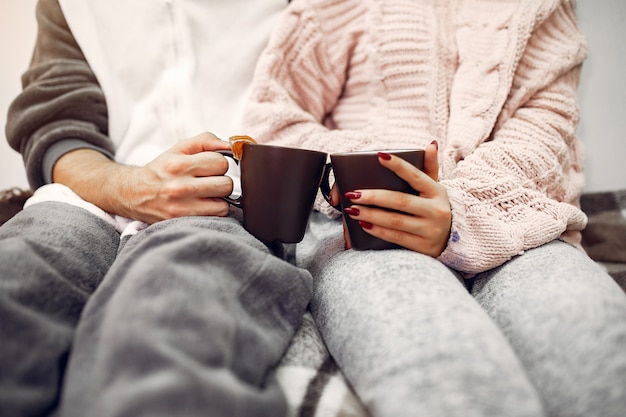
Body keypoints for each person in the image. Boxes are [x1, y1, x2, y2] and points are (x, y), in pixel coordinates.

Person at [242, 0, 626, 416]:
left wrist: (460, 211)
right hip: (364, 226)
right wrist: (379, 170)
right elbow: (272, 123)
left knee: (590, 336)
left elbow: (546, 128)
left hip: (519, 220)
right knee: (435, 358)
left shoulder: (541, 6)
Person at [0, 1, 312, 417]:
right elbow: (57, 123)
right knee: (15, 278)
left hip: (228, 204)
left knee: (164, 321)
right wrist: (132, 187)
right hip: (85, 195)